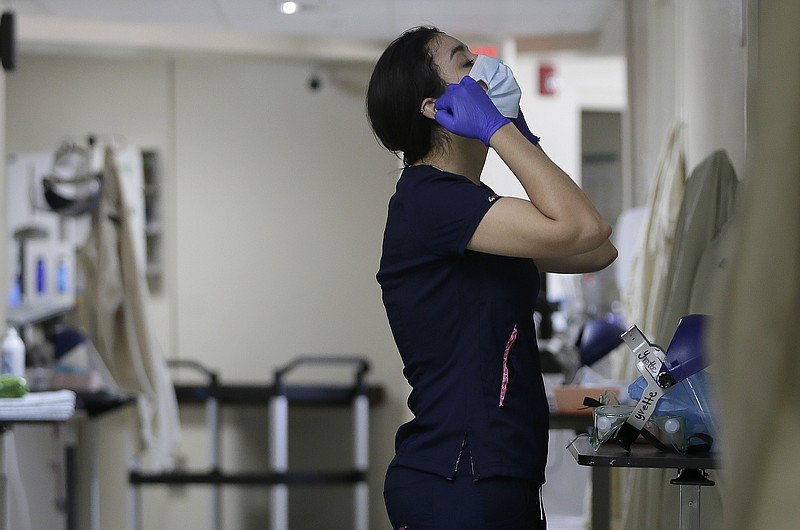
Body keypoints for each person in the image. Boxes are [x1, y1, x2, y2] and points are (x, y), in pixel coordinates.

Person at [367, 26, 617, 530]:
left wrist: (517, 130)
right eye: (465, 63)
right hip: (457, 477)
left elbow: (596, 250)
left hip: (496, 473)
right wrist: (501, 131)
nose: (485, 68)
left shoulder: (472, 210)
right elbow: (585, 226)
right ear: (436, 107)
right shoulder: (430, 200)